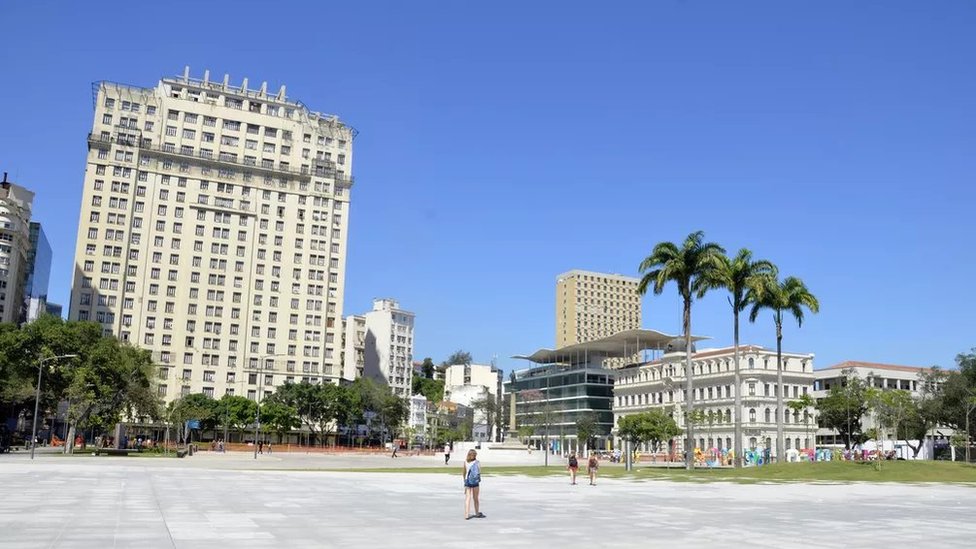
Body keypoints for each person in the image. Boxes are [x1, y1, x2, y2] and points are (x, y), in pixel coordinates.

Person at [463, 449, 485, 520]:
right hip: (475, 482)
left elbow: (464, 472)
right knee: (475, 498)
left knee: (467, 498)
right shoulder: (477, 462)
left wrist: (464, 481)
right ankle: (477, 513)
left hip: (467, 481)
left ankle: (466, 514)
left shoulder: (465, 462)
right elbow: (479, 472)